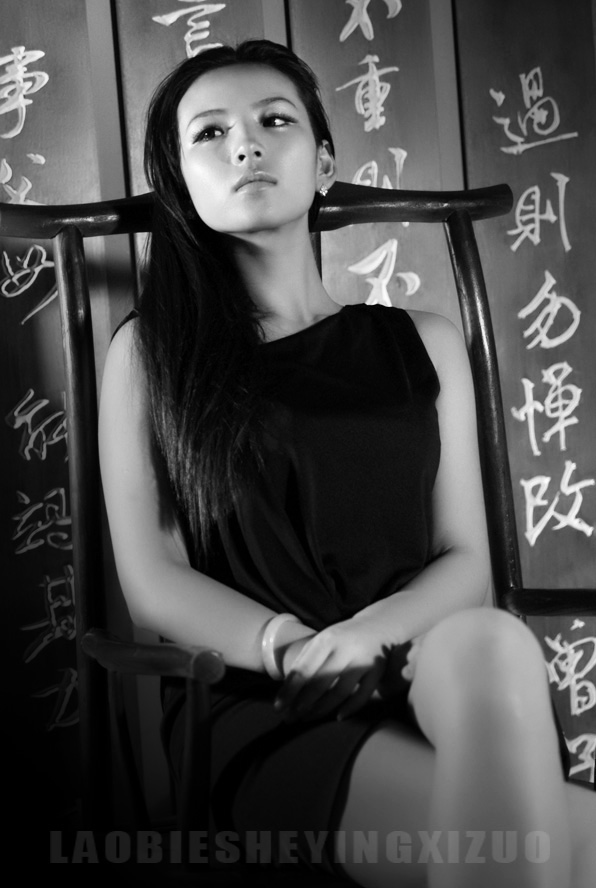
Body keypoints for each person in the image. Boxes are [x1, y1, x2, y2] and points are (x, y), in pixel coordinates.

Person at [98, 38, 595, 888]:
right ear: (181, 183)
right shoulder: (152, 355)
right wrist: (289, 646)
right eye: (210, 133)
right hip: (270, 701)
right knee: (568, 849)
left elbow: (466, 559)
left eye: (273, 121)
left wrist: (368, 637)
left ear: (324, 162)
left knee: (490, 640)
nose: (245, 146)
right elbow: (152, 580)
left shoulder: (424, 342)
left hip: (420, 662)